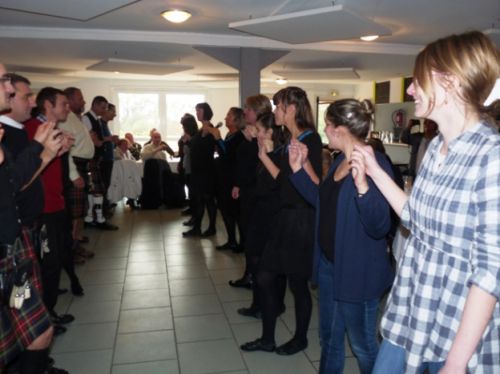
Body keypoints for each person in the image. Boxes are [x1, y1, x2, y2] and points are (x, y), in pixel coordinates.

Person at [351, 31, 500, 373]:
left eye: (418, 81)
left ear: (450, 81)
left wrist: (455, 363)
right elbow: (413, 216)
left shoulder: (491, 158)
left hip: (457, 325)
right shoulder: (435, 148)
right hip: (414, 308)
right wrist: (374, 172)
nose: (409, 90)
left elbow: (491, 272)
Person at [289, 99, 395, 373]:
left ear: (340, 129)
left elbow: (380, 225)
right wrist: (298, 169)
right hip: (330, 266)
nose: (324, 130)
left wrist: (362, 186)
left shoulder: (375, 162)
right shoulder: (338, 161)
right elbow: (323, 203)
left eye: (327, 124)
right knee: (330, 339)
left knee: (362, 346)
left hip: (357, 272)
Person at [241, 86, 322, 355]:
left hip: (300, 219)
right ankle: (267, 338)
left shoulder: (310, 139)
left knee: (297, 284)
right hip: (284, 217)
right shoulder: (289, 139)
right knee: (264, 276)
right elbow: (282, 180)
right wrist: (264, 156)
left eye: (278, 106)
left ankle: (300, 337)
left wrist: (303, 162)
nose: (274, 111)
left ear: (292, 109)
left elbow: (315, 184)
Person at [0, 66, 68, 374]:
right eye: (22, 94)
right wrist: (44, 152)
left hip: (18, 232)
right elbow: (16, 185)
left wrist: (48, 152)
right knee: (33, 330)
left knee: (35, 330)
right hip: (11, 238)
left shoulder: (13, 131)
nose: (22, 98)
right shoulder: (18, 133)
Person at [237, 112, 283, 318]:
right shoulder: (263, 152)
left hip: (269, 218)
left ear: (270, 132)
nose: (256, 134)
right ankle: (258, 304)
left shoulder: (278, 156)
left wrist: (266, 157)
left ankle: (268, 307)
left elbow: (274, 187)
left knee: (266, 268)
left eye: (260, 130)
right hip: (259, 214)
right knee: (255, 263)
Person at [182, 102, 217, 237]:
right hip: (198, 170)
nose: (197, 113)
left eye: (199, 111)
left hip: (206, 170)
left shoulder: (209, 128)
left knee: (207, 200)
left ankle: (211, 228)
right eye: (196, 111)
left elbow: (207, 149)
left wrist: (193, 141)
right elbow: (197, 148)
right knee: (199, 200)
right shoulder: (201, 129)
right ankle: (197, 227)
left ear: (206, 112)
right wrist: (190, 140)